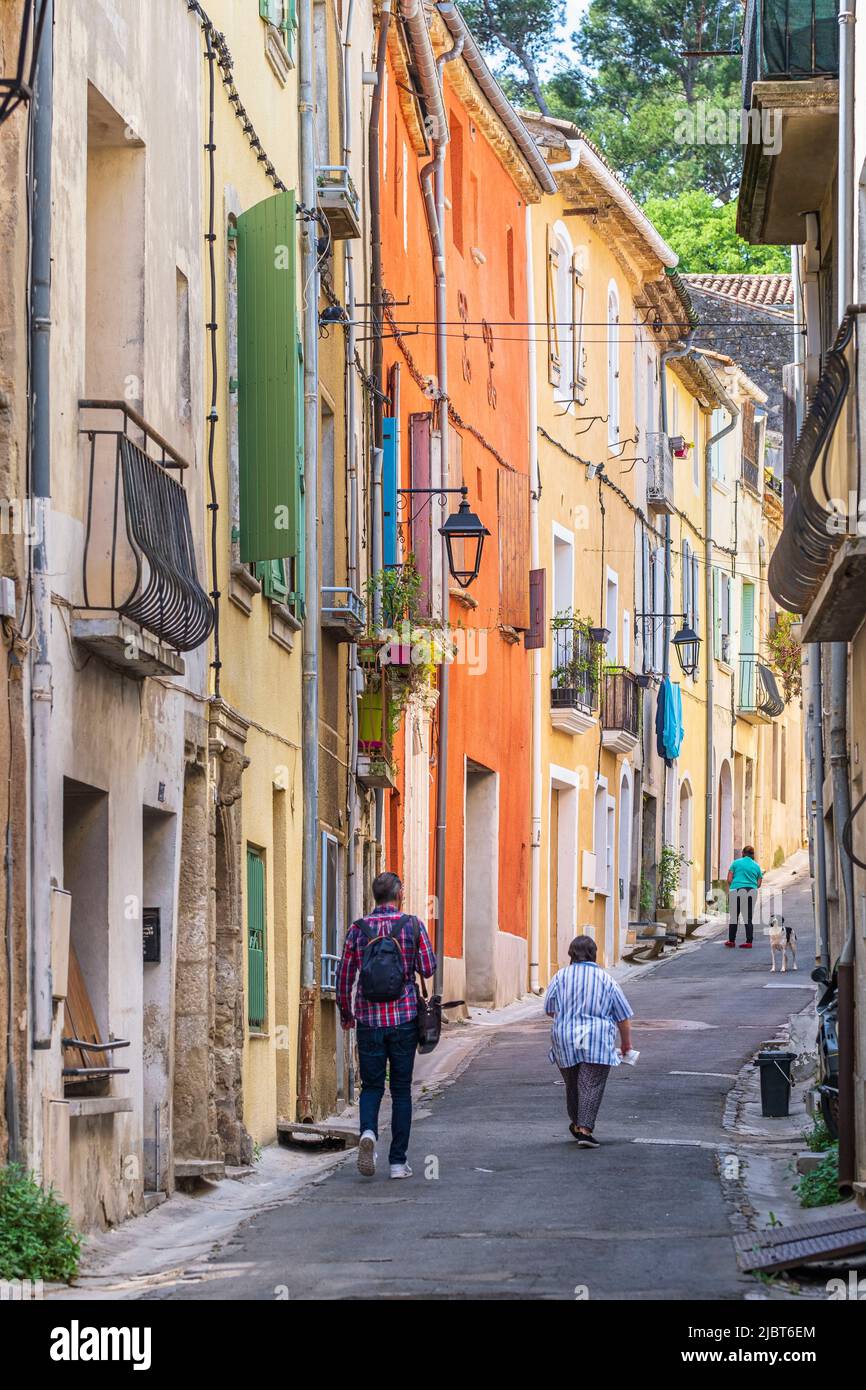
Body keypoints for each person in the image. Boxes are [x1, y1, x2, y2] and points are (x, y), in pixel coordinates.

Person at [336, 871, 436, 1179]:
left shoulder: (358, 929)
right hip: (404, 1018)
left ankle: (368, 1133)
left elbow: (344, 975)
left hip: (368, 1020)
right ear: (399, 895)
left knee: (371, 1086)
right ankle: (397, 1162)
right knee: (402, 1090)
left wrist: (346, 1012)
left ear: (374, 896)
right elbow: (428, 968)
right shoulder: (412, 925)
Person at [543, 934, 634, 1148]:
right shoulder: (607, 980)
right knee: (591, 1083)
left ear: (571, 954)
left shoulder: (560, 976)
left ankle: (576, 1124)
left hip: (564, 1036)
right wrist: (626, 1043)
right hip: (597, 1037)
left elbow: (549, 1008)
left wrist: (567, 1017)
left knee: (573, 1084)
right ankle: (584, 1130)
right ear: (594, 954)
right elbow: (622, 1016)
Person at [725, 846, 763, 948]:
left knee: (734, 917)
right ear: (753, 854)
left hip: (736, 890)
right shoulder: (757, 866)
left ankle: (731, 941)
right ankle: (749, 942)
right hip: (751, 891)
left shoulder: (736, 863)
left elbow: (729, 879)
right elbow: (759, 884)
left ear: (743, 853)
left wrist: (736, 885)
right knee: (748, 918)